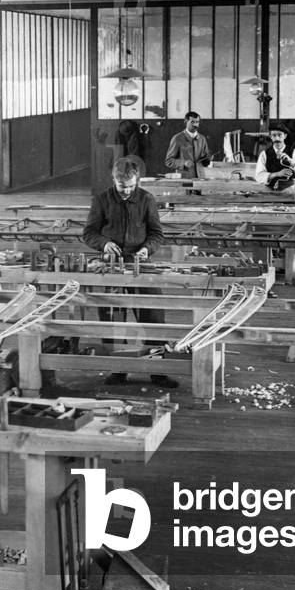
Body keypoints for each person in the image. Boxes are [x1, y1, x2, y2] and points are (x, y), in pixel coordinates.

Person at [82, 158, 178, 388]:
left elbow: (156, 233)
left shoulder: (146, 199)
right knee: (112, 318)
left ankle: (157, 372)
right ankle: (119, 370)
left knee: (153, 317)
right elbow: (89, 233)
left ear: (138, 181)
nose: (126, 191)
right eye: (121, 186)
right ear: (113, 179)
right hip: (111, 267)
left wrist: (147, 249)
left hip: (140, 264)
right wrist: (104, 244)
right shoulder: (102, 200)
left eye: (130, 187)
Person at [255, 122, 295, 191]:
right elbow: (259, 176)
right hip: (269, 191)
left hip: (288, 191)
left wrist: (291, 161)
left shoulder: (294, 153)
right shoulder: (264, 154)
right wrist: (277, 174)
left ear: (285, 136)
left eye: (279, 135)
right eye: (274, 135)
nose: (277, 138)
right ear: (271, 137)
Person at [164, 111, 211, 178]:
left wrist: (207, 160)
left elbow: (206, 157)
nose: (195, 125)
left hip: (200, 178)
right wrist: (184, 163)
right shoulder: (177, 138)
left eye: (197, 122)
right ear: (186, 122)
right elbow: (168, 161)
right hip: (184, 178)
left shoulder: (202, 138)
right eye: (192, 122)